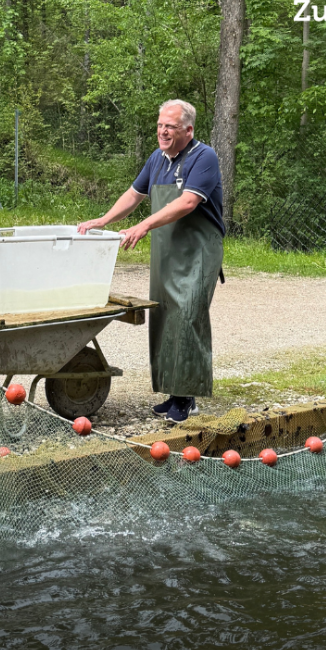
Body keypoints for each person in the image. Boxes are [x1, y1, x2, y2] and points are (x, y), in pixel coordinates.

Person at [78, 99, 225, 424]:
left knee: (187, 316)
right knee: (165, 317)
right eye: (160, 125)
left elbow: (188, 203)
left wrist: (143, 225)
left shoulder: (204, 157)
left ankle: (187, 398)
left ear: (188, 130)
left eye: (170, 126)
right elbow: (134, 195)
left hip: (199, 250)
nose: (162, 131)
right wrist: (103, 220)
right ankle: (174, 392)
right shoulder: (157, 159)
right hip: (167, 249)